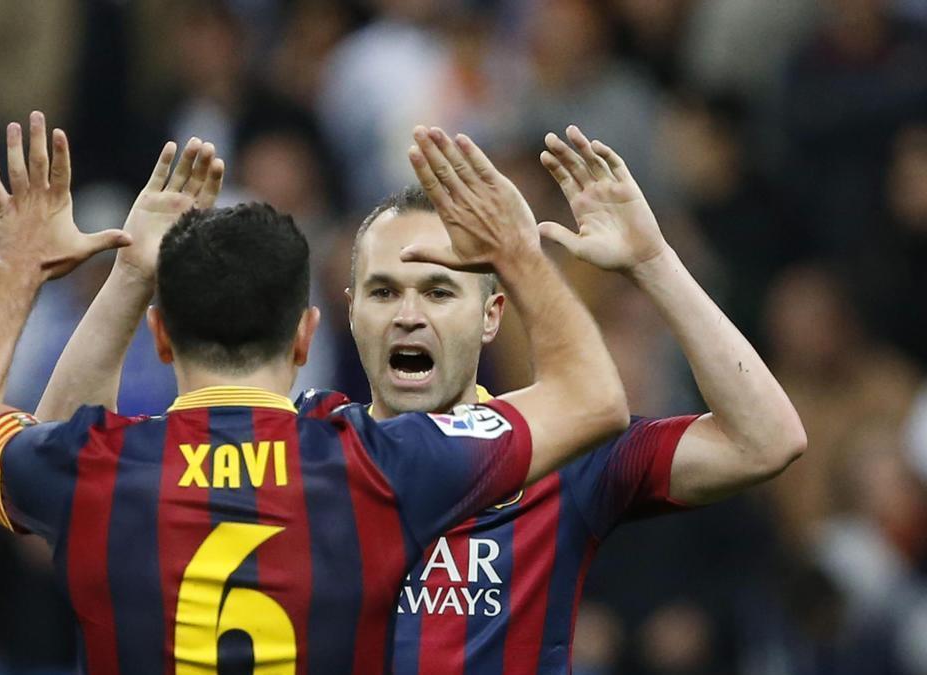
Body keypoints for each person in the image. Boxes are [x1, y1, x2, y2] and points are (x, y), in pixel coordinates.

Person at [43, 123, 807, 673]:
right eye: (384, 290)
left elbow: (765, 439)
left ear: (491, 313)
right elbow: (60, 457)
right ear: (351, 313)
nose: (409, 312)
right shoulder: (300, 446)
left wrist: (654, 263)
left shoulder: (564, 453)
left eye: (439, 289)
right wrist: (135, 275)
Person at [0, 111, 629, 673]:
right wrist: (517, 254)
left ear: (161, 337)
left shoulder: (94, 467)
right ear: (305, 336)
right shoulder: (382, 463)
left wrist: (26, 268)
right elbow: (593, 399)